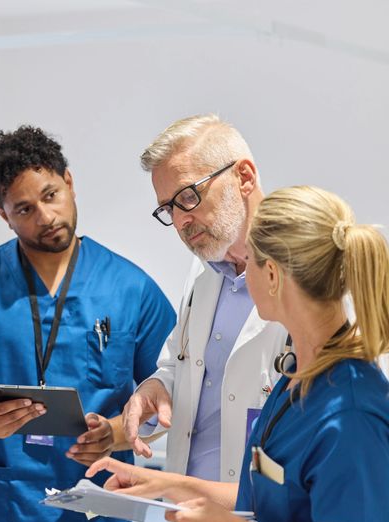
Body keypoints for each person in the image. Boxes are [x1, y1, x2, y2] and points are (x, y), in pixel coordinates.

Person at [88, 185, 389, 522]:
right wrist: (169, 485)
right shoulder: (296, 375)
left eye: (250, 262)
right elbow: (266, 494)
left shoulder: (350, 413)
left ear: (272, 275)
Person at [0, 125, 176, 522]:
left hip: (94, 511)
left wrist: (113, 433)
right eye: (24, 209)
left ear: (69, 182)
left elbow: (169, 401)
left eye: (50, 196)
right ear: (2, 214)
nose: (46, 217)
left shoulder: (130, 288)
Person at [121, 114, 286, 484]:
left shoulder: (311, 272)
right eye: (169, 208)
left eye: (188, 197)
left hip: (267, 516)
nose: (180, 221)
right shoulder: (203, 273)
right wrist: (155, 389)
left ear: (244, 177)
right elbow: (181, 368)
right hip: (190, 513)